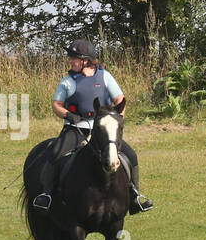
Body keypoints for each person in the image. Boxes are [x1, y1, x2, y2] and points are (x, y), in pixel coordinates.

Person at [32, 38, 154, 214]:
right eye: (70, 57)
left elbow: (120, 99)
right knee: (54, 153)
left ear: (86, 60)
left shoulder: (104, 76)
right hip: (76, 129)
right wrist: (67, 115)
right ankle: (46, 195)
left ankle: (135, 196)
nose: (70, 61)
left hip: (103, 130)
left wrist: (117, 120)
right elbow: (56, 105)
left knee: (131, 155)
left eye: (73, 58)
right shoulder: (67, 81)